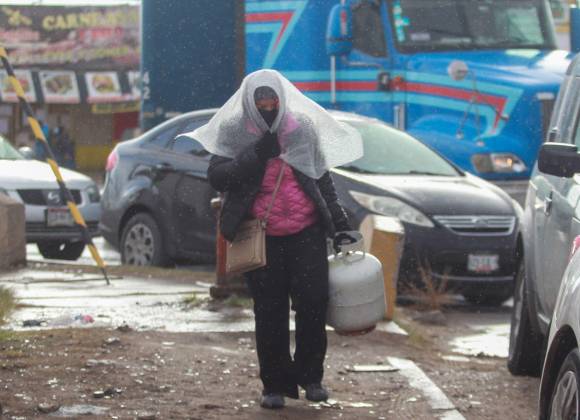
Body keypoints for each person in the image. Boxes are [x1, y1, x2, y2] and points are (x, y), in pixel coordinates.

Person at [183, 69, 363, 410]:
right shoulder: (235, 130)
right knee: (269, 312)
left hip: (306, 232)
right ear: (249, 100)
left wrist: (339, 223)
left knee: (313, 304)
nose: (267, 103)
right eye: (260, 98)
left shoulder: (302, 129)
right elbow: (218, 177)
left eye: (272, 97)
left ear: (282, 97)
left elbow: (321, 177)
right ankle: (274, 385)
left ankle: (312, 377)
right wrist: (256, 154)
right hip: (261, 236)